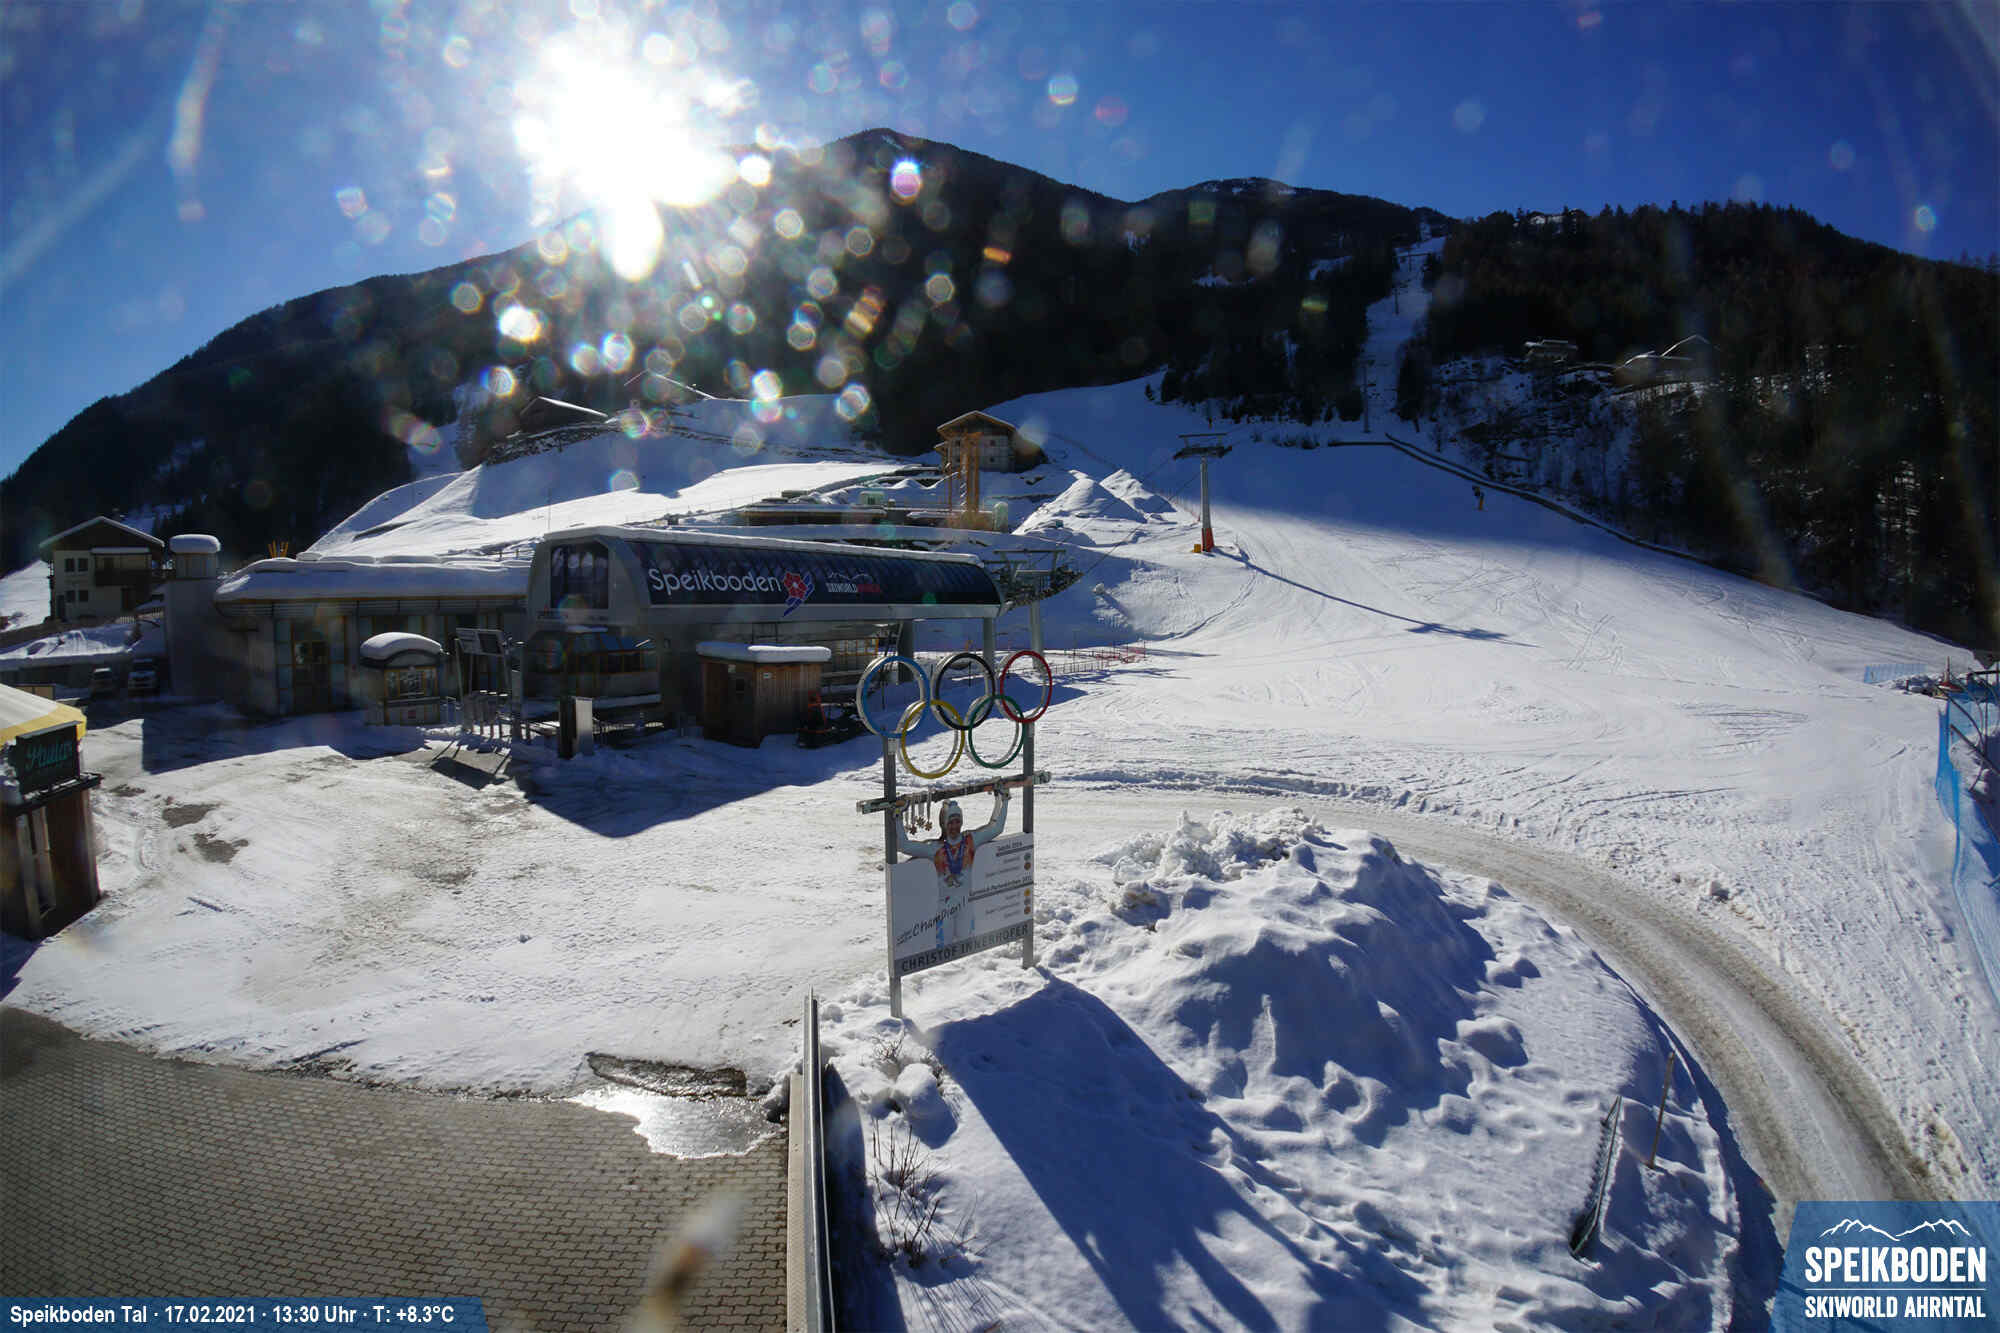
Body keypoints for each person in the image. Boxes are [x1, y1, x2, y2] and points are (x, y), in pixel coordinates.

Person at [896, 791, 1010, 949]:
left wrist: (1003, 800)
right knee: (943, 948)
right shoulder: (935, 848)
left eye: (957, 821)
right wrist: (898, 817)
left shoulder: (971, 841)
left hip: (966, 903)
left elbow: (996, 828)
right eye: (950, 822)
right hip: (945, 907)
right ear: (944, 824)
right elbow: (904, 846)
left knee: (967, 945)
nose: (954, 826)